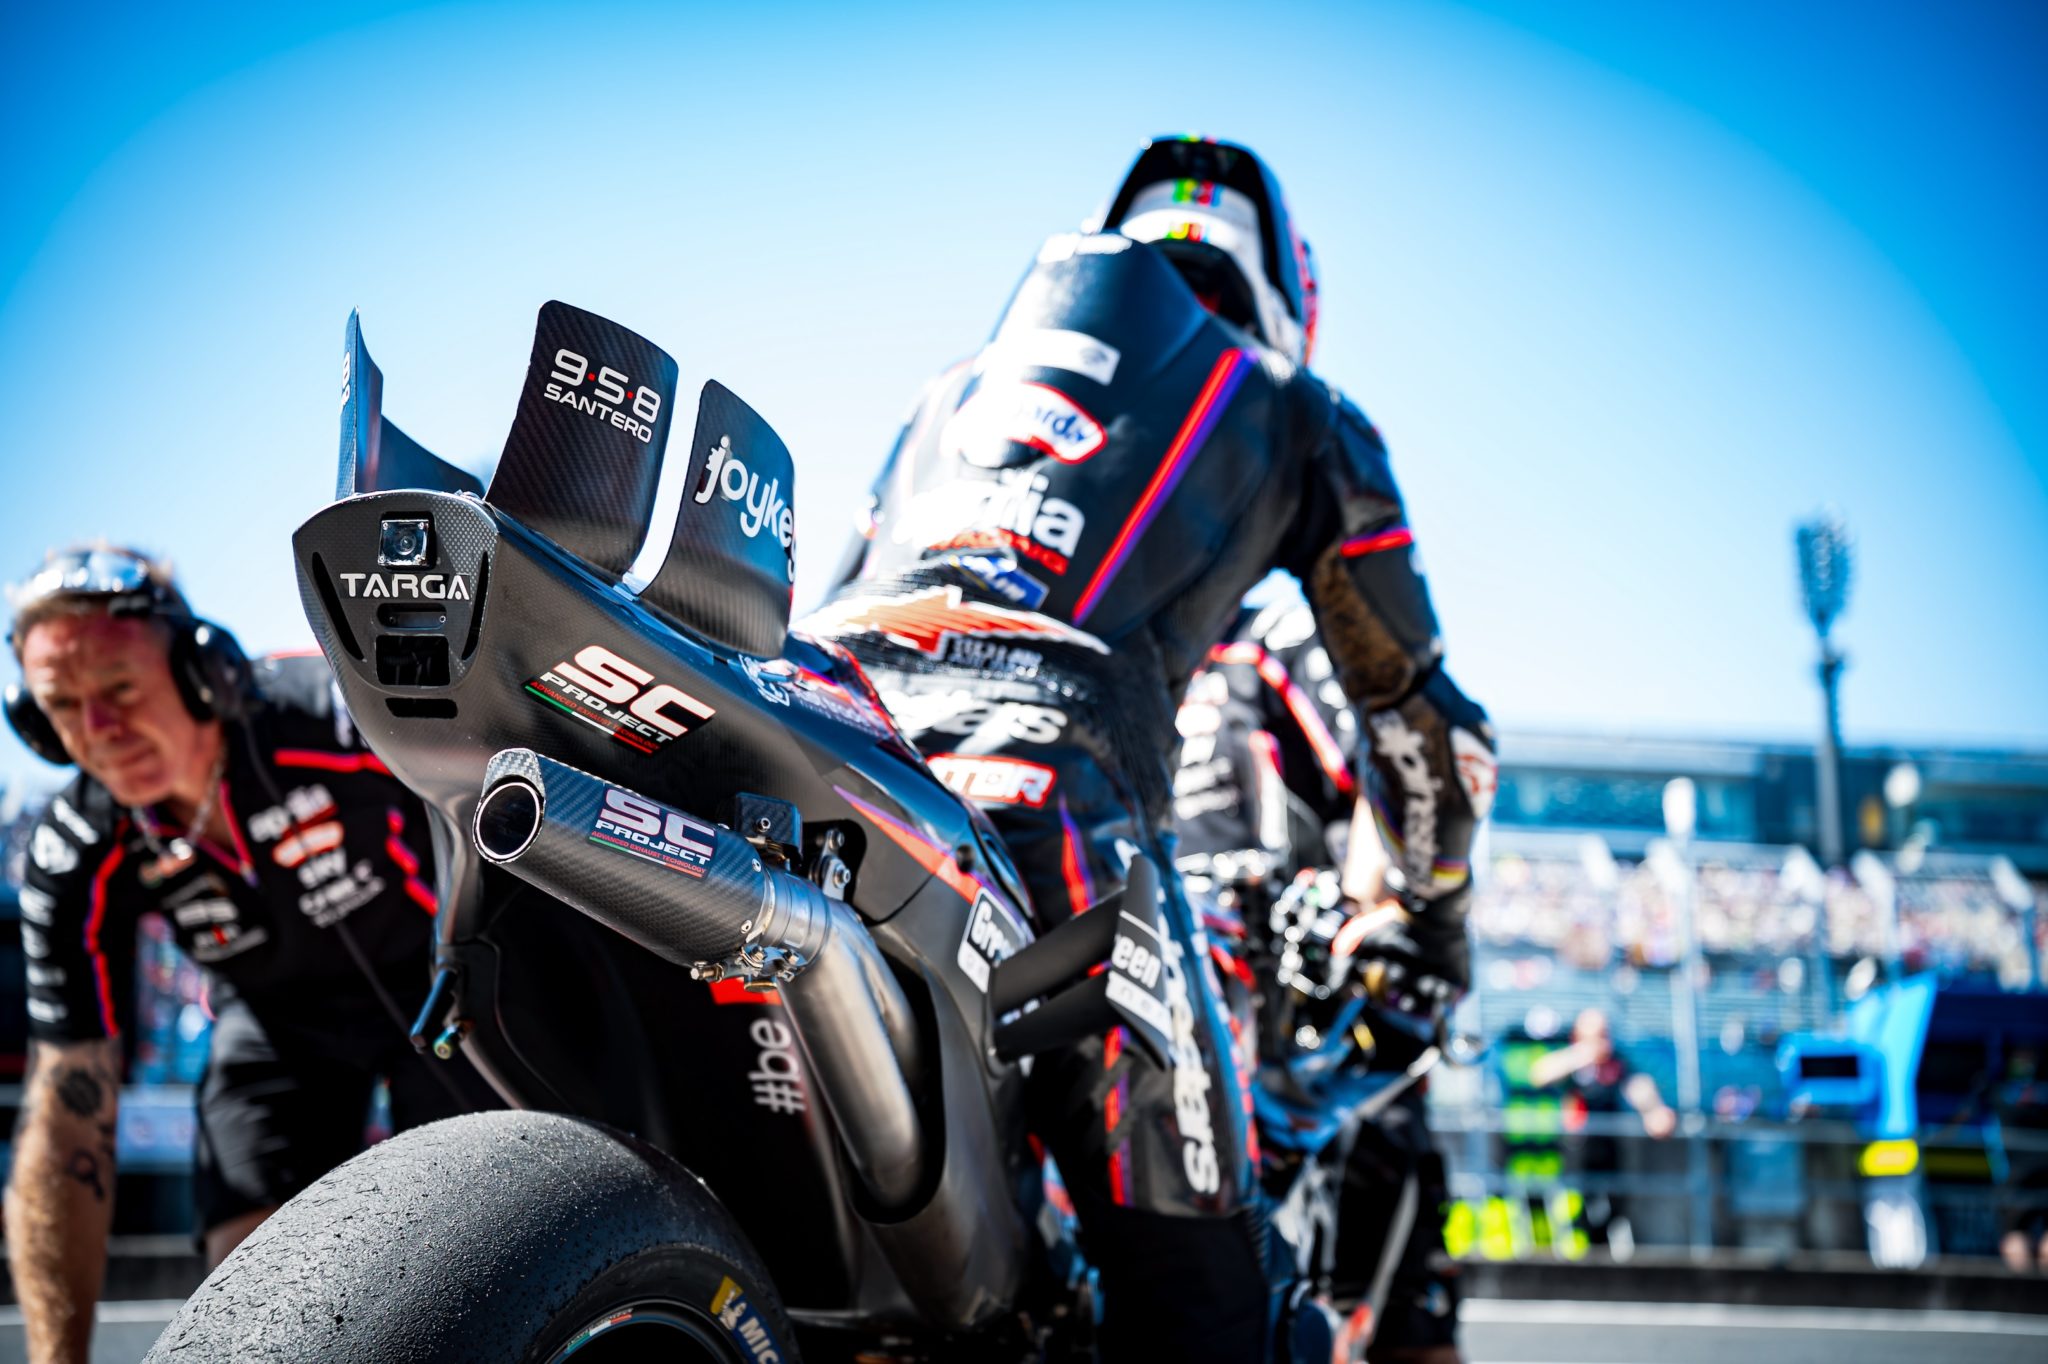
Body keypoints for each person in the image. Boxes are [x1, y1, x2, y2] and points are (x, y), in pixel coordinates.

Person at [810, 135, 1495, 1362]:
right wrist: (1431, 930)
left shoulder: (941, 397)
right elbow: (1417, 717)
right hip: (1052, 826)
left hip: (824, 779)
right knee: (1225, 1319)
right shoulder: (1289, 406)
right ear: (1282, 299)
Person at [2, 546, 490, 1364]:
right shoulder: (78, 844)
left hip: (442, 979)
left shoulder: (328, 713)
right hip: (274, 1021)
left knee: (478, 1235)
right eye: (62, 707)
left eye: (120, 690)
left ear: (204, 674)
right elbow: (65, 1111)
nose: (98, 734)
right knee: (247, 1280)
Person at [1175, 598, 1469, 1364]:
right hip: (1187, 1017)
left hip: (1313, 1022)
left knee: (1387, 1306)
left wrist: (1359, 924)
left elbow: (1390, 762)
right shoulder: (1131, 653)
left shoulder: (1267, 637)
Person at [1528, 1007, 1675, 1253]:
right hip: (1574, 1157)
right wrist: (1581, 1055)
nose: (1601, 1042)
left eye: (1604, 1035)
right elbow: (1539, 1073)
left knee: (1613, 1216)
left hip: (1610, 1156)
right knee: (1574, 1218)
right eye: (1594, 1036)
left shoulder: (1617, 1063)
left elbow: (1639, 1087)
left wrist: (1654, 1110)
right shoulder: (1572, 1062)